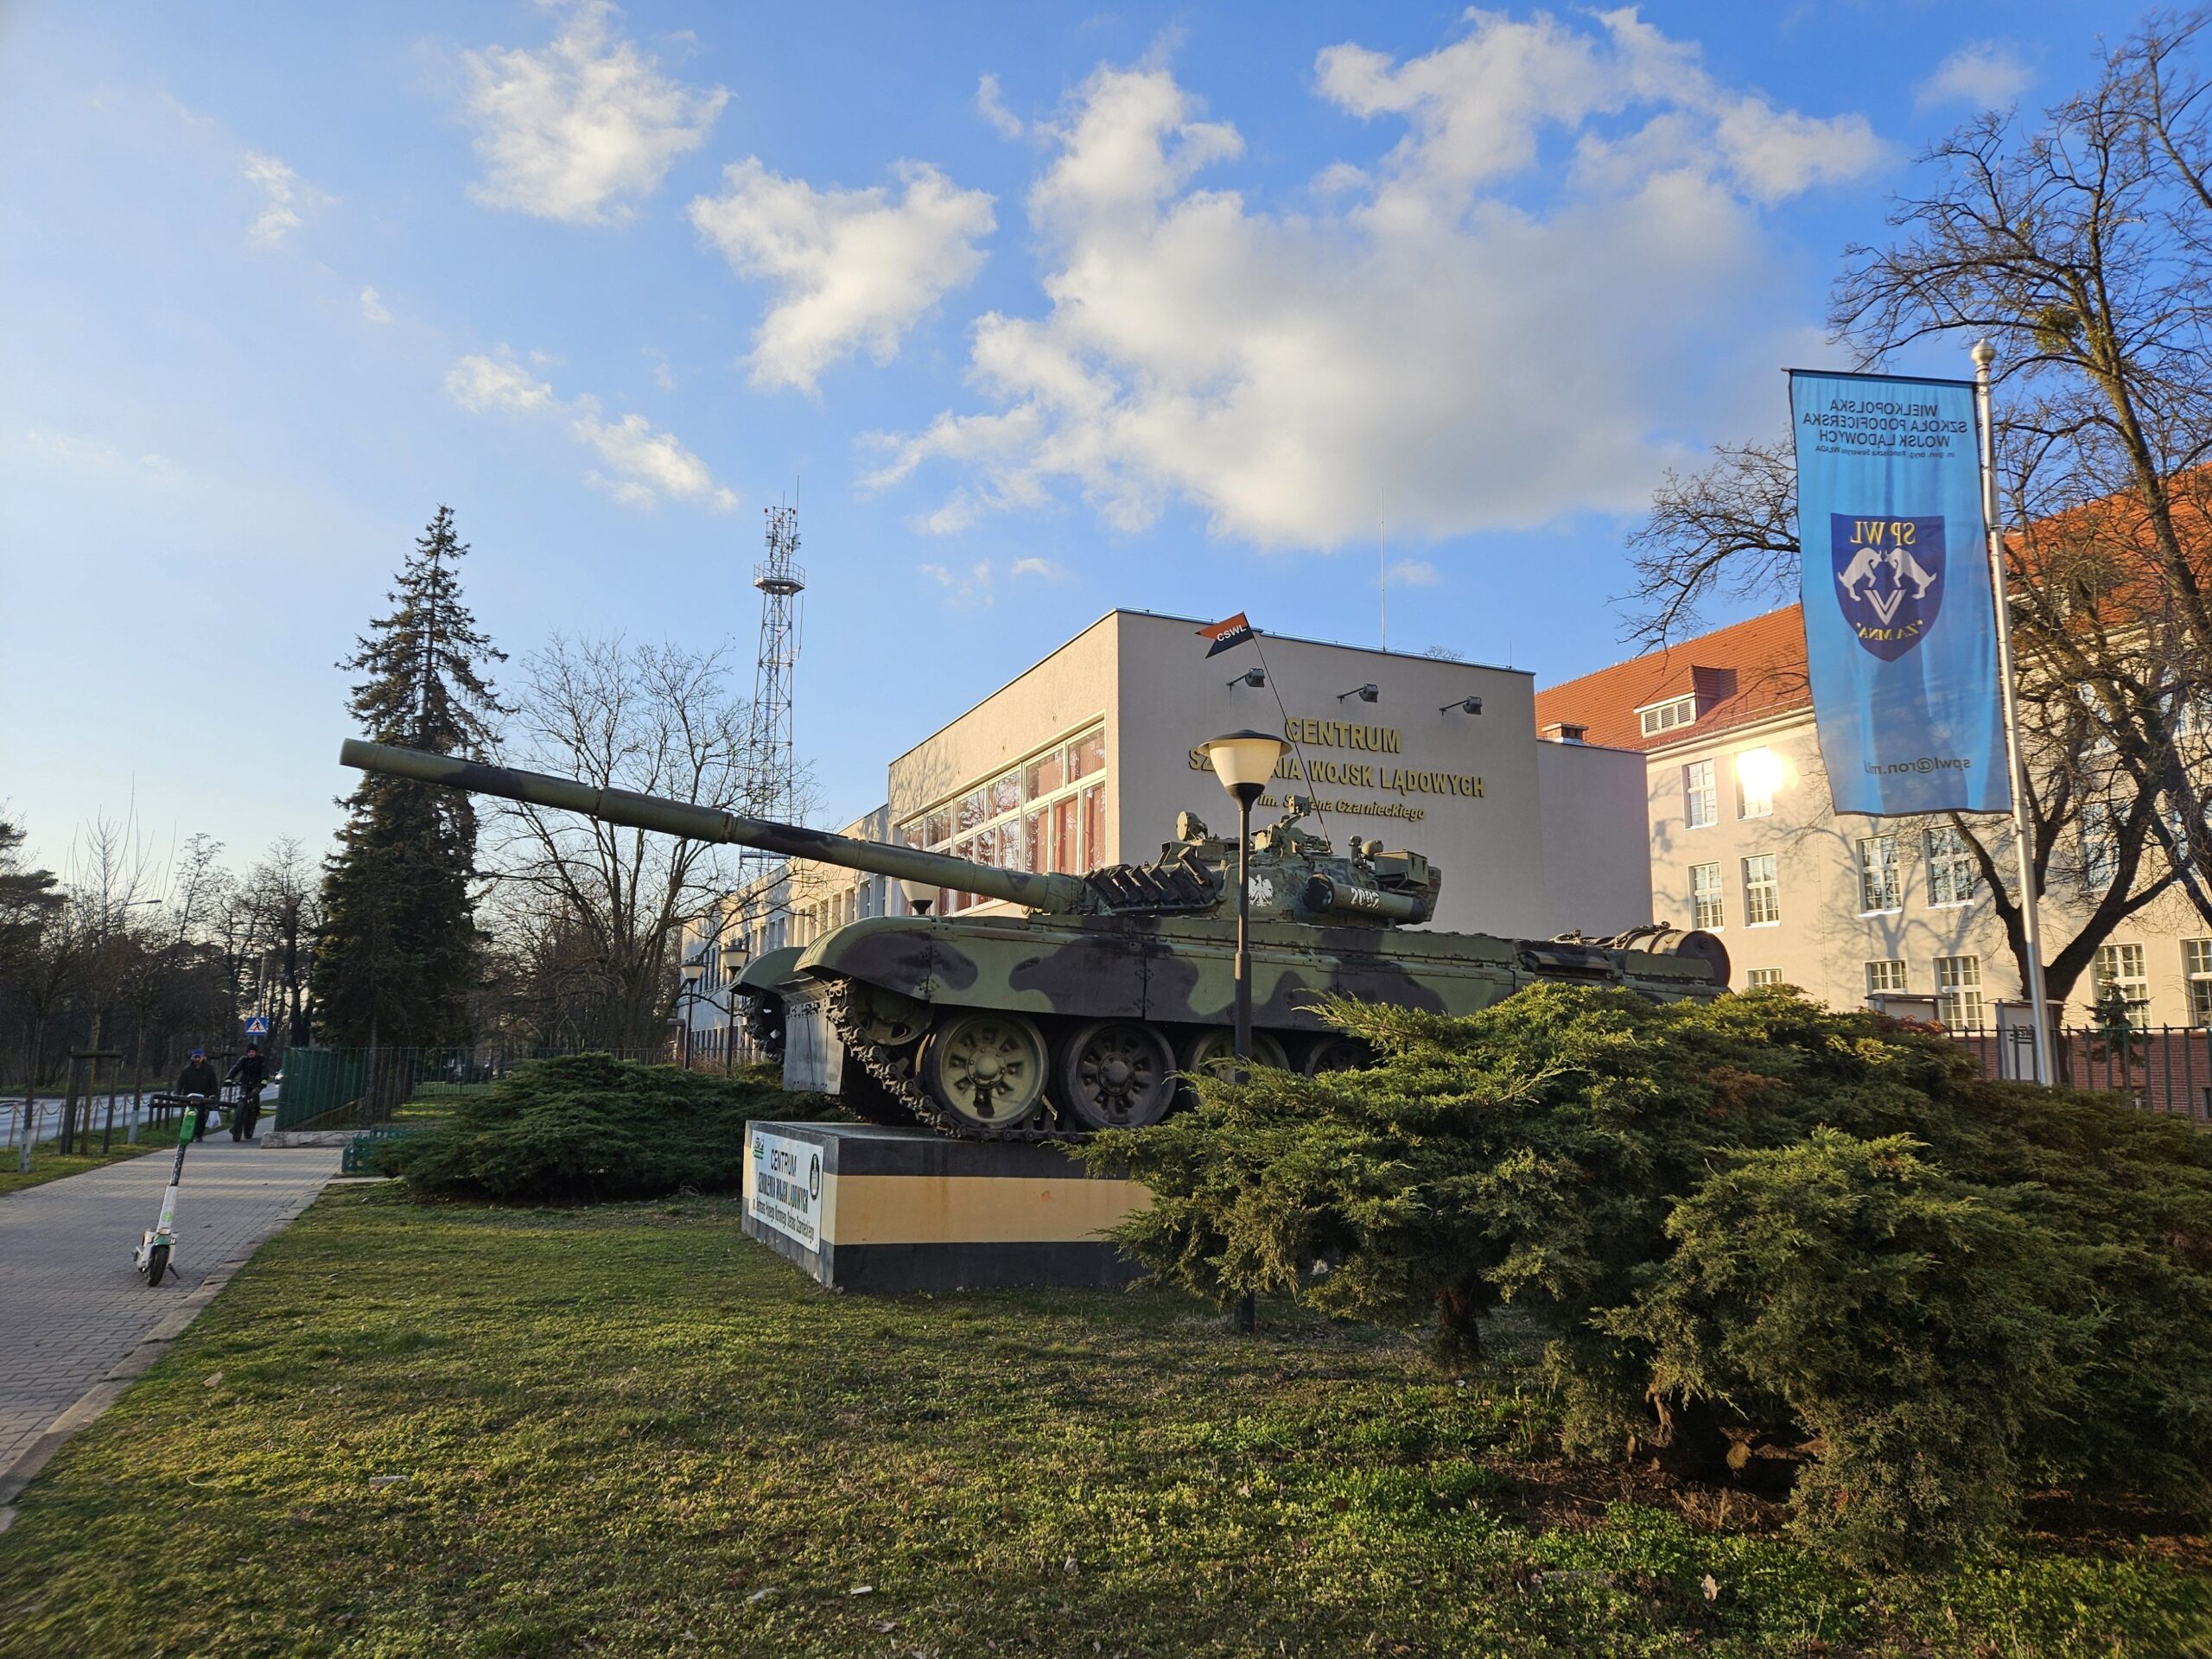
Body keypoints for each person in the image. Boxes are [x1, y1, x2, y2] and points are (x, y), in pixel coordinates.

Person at [226, 1044, 268, 1141]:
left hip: (257, 1083)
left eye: (252, 1052)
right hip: (245, 1083)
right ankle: (237, 1122)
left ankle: (256, 1109)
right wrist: (228, 1078)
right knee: (242, 1099)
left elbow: (265, 1070)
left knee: (254, 1094)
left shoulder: (261, 1060)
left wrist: (264, 1080)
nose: (251, 1054)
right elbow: (236, 1068)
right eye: (249, 1052)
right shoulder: (243, 1060)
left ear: (256, 1052)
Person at [175, 1049, 218, 1141]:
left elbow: (213, 1083)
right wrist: (177, 1094)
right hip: (188, 1096)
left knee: (200, 1116)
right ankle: (185, 1134)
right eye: (195, 1057)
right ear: (192, 1058)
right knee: (186, 1115)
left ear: (203, 1058)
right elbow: (180, 1083)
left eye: (199, 1057)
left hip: (203, 1096)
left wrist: (214, 1095)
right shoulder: (186, 1070)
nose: (197, 1059)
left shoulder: (209, 1069)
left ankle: (198, 1135)